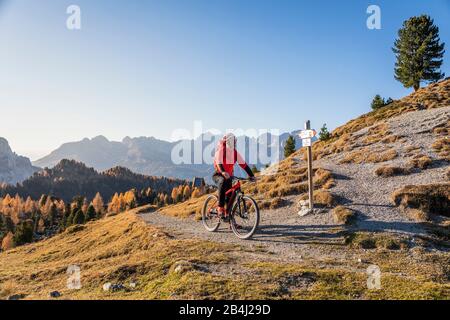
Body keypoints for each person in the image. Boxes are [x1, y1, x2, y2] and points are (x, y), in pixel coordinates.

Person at [213, 133, 255, 219]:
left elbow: (244, 165)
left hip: (229, 177)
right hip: (218, 174)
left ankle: (231, 221)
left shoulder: (235, 153)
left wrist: (251, 176)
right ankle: (220, 207)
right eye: (230, 141)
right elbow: (219, 162)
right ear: (226, 141)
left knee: (230, 198)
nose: (233, 143)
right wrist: (223, 172)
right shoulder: (221, 150)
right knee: (222, 181)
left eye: (234, 142)